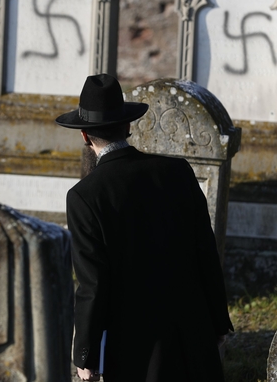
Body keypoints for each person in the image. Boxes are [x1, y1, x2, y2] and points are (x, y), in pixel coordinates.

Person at [56, 74, 233, 382]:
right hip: (193, 332)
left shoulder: (84, 196)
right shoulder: (177, 172)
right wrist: (219, 323)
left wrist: (85, 353)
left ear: (84, 136)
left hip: (136, 349)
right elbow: (206, 251)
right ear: (127, 126)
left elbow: (93, 285)